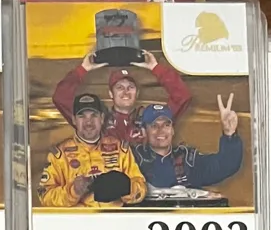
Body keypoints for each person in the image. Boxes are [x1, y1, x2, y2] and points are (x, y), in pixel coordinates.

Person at [52, 52, 191, 145]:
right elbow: (61, 98)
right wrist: (83, 69)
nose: (126, 92)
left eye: (130, 87)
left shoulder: (152, 117)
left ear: (137, 93)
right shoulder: (96, 120)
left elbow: (182, 96)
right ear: (111, 94)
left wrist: (155, 67)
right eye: (119, 87)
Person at [37, 93, 146, 208]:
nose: (88, 122)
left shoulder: (120, 149)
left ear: (102, 118)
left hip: (114, 217)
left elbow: (141, 188)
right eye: (82, 116)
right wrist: (73, 191)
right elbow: (45, 196)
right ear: (74, 120)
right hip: (80, 218)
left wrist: (127, 188)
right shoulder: (59, 155)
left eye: (94, 115)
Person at [133, 96, 243, 190]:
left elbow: (225, 166)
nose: (161, 130)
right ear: (144, 131)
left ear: (172, 130)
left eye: (166, 125)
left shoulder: (187, 159)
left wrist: (229, 134)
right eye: (154, 126)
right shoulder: (133, 159)